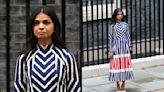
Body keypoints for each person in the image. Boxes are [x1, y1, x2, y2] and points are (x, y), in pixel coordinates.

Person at [13, 6, 81, 92]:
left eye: (46, 22)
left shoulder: (67, 57)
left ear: (54, 27)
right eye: (36, 23)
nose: (41, 27)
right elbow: (19, 89)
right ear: (32, 28)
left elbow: (74, 88)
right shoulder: (24, 58)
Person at [108, 8, 133, 92]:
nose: (120, 16)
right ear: (115, 16)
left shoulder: (125, 25)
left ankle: (124, 84)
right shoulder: (112, 26)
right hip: (116, 48)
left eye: (121, 14)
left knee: (125, 65)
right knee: (116, 66)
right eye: (118, 14)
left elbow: (128, 36)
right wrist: (111, 51)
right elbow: (110, 39)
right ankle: (117, 84)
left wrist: (130, 47)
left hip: (125, 48)